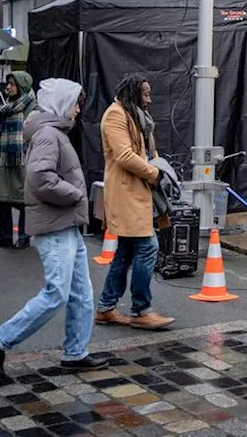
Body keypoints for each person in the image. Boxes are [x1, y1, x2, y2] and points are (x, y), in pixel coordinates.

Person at [0, 79, 104, 382]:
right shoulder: (50, 135)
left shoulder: (52, 132)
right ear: (63, 103)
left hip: (65, 225)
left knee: (81, 294)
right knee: (57, 293)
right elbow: (39, 177)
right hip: (56, 226)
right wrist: (75, 194)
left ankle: (75, 352)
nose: (78, 110)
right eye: (75, 103)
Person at [95, 76, 174, 330]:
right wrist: (154, 174)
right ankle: (141, 310)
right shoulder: (116, 115)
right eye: (145, 94)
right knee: (148, 245)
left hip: (138, 191)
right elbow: (125, 155)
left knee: (126, 251)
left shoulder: (136, 115)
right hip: (126, 192)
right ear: (132, 93)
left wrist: (160, 169)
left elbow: (149, 153)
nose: (149, 100)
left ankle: (106, 307)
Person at [0, 72, 37, 250]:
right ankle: (5, 235)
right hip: (3, 158)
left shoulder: (33, 107)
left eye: (12, 84)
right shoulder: (7, 106)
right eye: (8, 84)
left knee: (23, 201)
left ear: (21, 85)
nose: (8, 87)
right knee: (2, 200)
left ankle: (24, 236)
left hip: (21, 159)